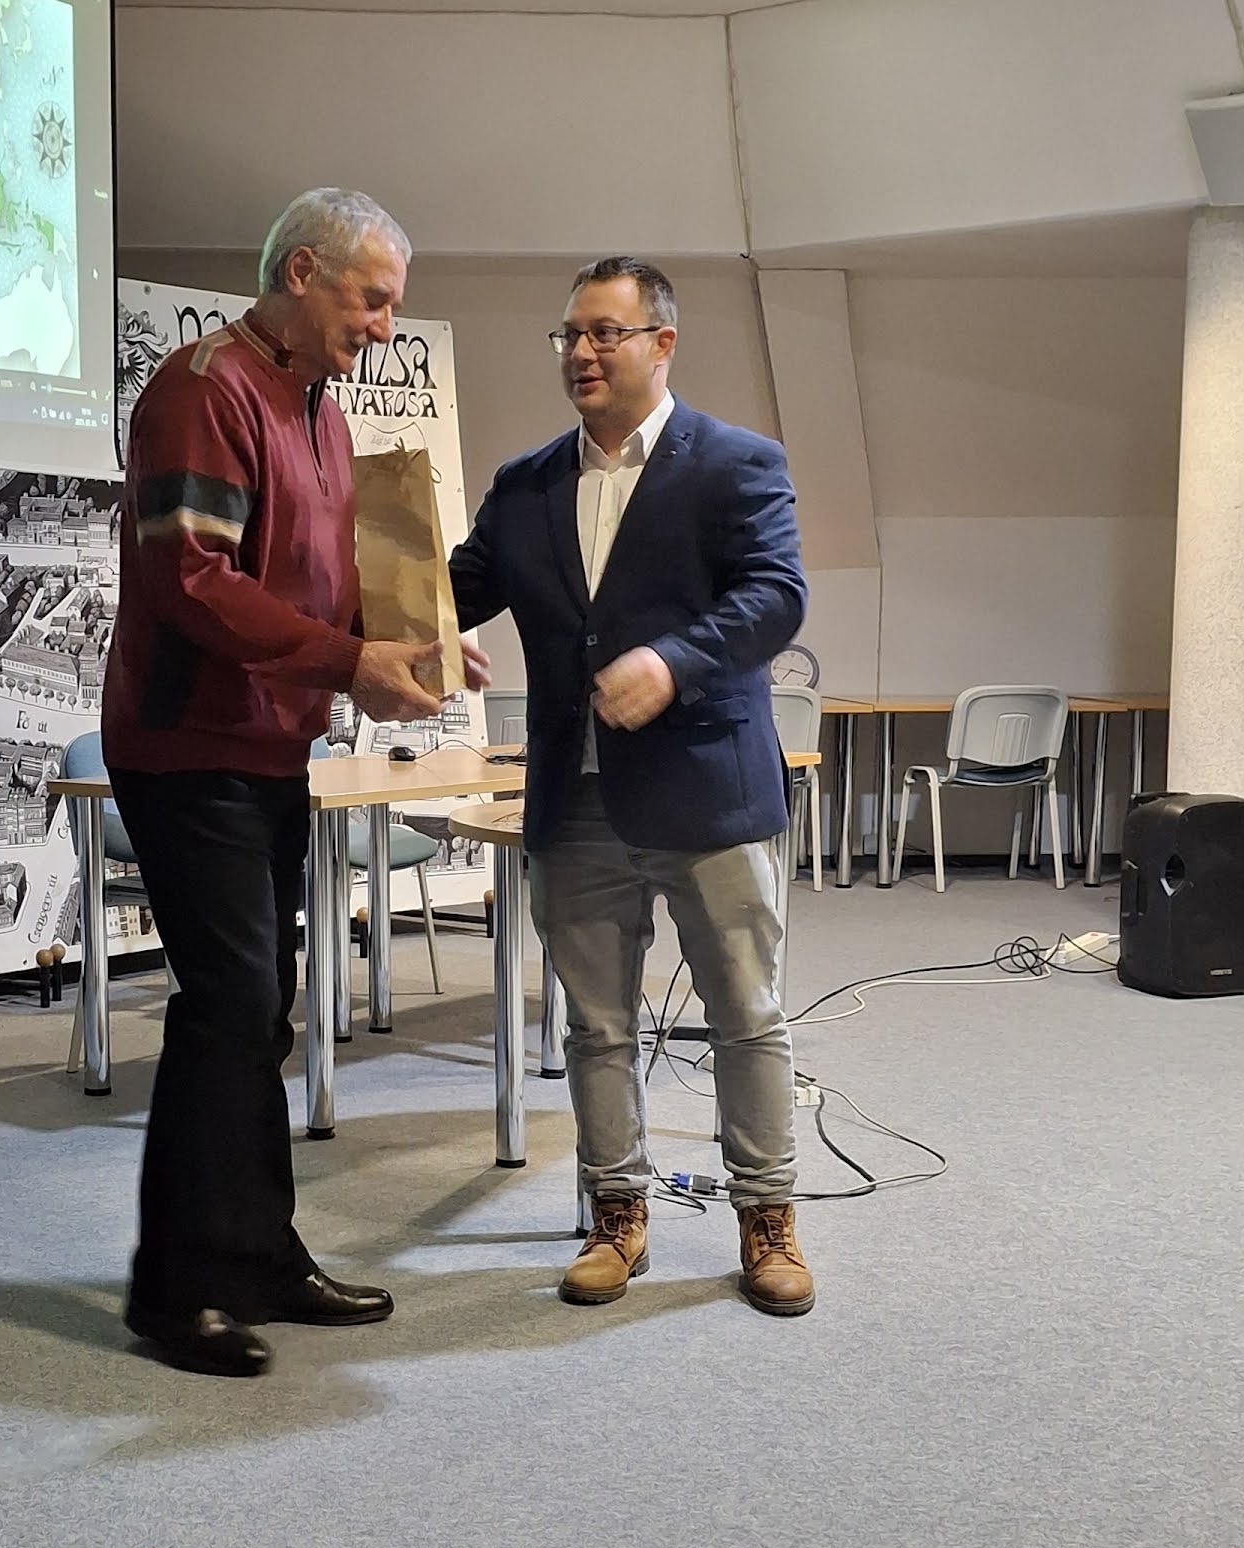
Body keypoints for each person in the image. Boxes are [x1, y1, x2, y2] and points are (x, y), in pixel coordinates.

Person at [103, 189, 449, 1375]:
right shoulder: (201, 390)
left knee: (263, 1007)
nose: (385, 328)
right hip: (187, 747)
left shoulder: (322, 412)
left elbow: (318, 584)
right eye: (373, 301)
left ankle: (255, 1256)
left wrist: (402, 650)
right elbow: (192, 584)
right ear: (302, 273)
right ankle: (174, 1292)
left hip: (267, 749)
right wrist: (350, 662)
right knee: (230, 1004)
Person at [449, 257, 815, 1314]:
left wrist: (674, 660)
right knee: (594, 1026)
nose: (581, 352)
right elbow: (452, 590)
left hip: (708, 794)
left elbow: (776, 597)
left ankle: (767, 1218)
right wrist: (400, 625)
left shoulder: (736, 463)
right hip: (576, 801)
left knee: (745, 1015)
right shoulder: (525, 485)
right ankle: (617, 1215)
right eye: (569, 334)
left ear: (662, 344)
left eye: (604, 333)